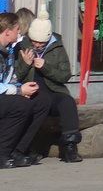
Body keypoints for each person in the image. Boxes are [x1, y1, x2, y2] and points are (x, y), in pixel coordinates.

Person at [16, 9, 83, 161]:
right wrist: (26, 64)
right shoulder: (21, 47)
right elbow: (17, 76)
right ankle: (28, 147)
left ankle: (70, 146)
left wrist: (46, 67)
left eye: (41, 42)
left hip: (54, 89)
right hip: (33, 91)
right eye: (34, 41)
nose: (37, 45)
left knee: (67, 103)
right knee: (40, 103)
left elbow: (65, 75)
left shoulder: (57, 47)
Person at [0, 11, 48, 168]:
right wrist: (19, 91)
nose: (20, 32)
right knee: (21, 105)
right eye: (17, 29)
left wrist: (23, 88)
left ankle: (18, 150)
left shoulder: (9, 51)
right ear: (8, 31)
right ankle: (2, 152)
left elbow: (11, 79)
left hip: (5, 94)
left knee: (41, 101)